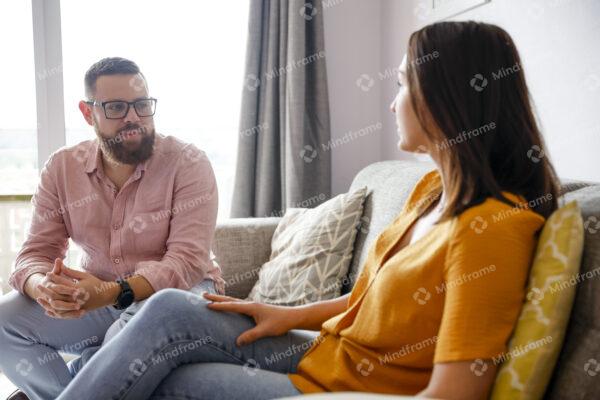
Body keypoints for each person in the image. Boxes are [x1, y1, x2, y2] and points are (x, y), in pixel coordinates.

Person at [57, 21, 560, 400]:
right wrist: (287, 315)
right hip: (325, 353)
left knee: (169, 381)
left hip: (342, 389)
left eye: (402, 85)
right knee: (167, 309)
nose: (393, 104)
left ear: (447, 98)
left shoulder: (492, 231)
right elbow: (368, 299)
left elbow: (453, 395)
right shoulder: (432, 192)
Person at [0, 57, 224, 400]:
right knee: (4, 321)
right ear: (89, 114)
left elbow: (186, 262)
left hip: (177, 296)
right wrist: (42, 286)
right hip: (98, 297)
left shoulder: (189, 163)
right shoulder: (62, 168)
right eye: (117, 107)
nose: (133, 118)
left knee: (124, 337)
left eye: (141, 105)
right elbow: (35, 253)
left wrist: (110, 292)